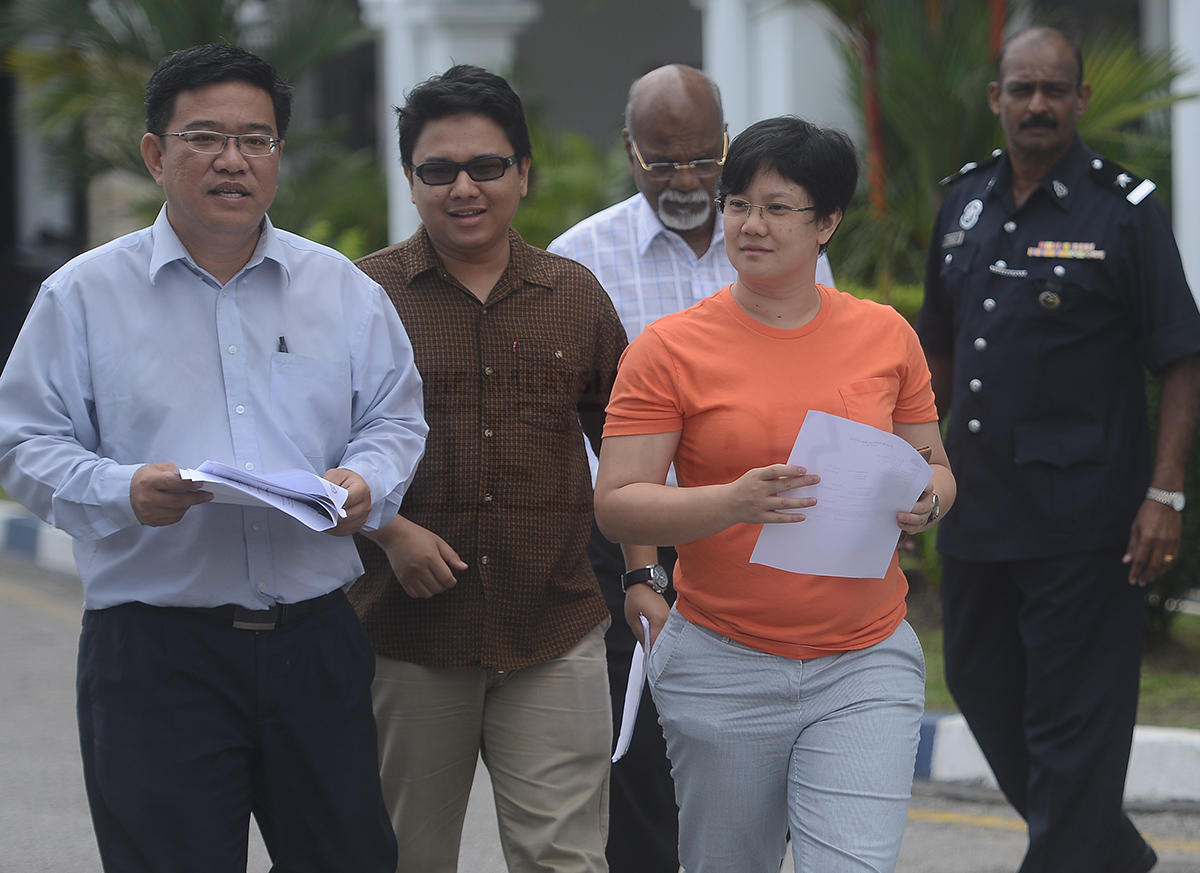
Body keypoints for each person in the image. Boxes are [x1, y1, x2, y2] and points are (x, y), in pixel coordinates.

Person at [0, 44, 428, 872]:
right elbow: (23, 443)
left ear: (277, 155)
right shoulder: (82, 296)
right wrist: (124, 489)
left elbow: (394, 418)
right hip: (156, 657)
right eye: (205, 137)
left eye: (256, 139)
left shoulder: (341, 289)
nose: (233, 159)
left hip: (316, 646)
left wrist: (367, 480)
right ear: (156, 154)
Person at [594, 115, 955, 873]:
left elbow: (935, 466)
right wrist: (731, 502)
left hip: (865, 657)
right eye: (737, 204)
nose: (750, 225)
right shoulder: (667, 348)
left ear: (828, 222)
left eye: (777, 206)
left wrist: (928, 498)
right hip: (723, 660)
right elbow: (618, 500)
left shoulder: (886, 335)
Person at [916, 26, 1200, 873]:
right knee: (976, 682)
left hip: (1086, 522)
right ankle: (1105, 850)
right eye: (1022, 88)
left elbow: (1181, 357)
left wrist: (1166, 494)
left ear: (1078, 100)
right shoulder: (962, 202)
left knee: (1073, 719)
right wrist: (913, 463)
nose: (1037, 104)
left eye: (1054, 89)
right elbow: (934, 349)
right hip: (978, 508)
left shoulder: (1124, 209)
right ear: (997, 98)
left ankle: (1071, 858)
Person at [547, 63, 835, 873]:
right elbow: (576, 427)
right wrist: (643, 563)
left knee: (759, 746)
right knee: (643, 758)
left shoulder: (784, 239)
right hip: (634, 537)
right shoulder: (581, 261)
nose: (684, 180)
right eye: (660, 160)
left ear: (729, 144)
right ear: (628, 149)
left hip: (765, 530)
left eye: (704, 159)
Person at [347, 65, 626, 873]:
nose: (463, 187)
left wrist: (645, 574)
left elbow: (628, 449)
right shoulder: (361, 297)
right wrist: (390, 528)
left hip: (554, 629)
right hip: (405, 635)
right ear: (410, 179)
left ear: (523, 174)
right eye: (439, 170)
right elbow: (311, 453)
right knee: (405, 858)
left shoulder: (575, 295)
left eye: (487, 166)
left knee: (566, 859)